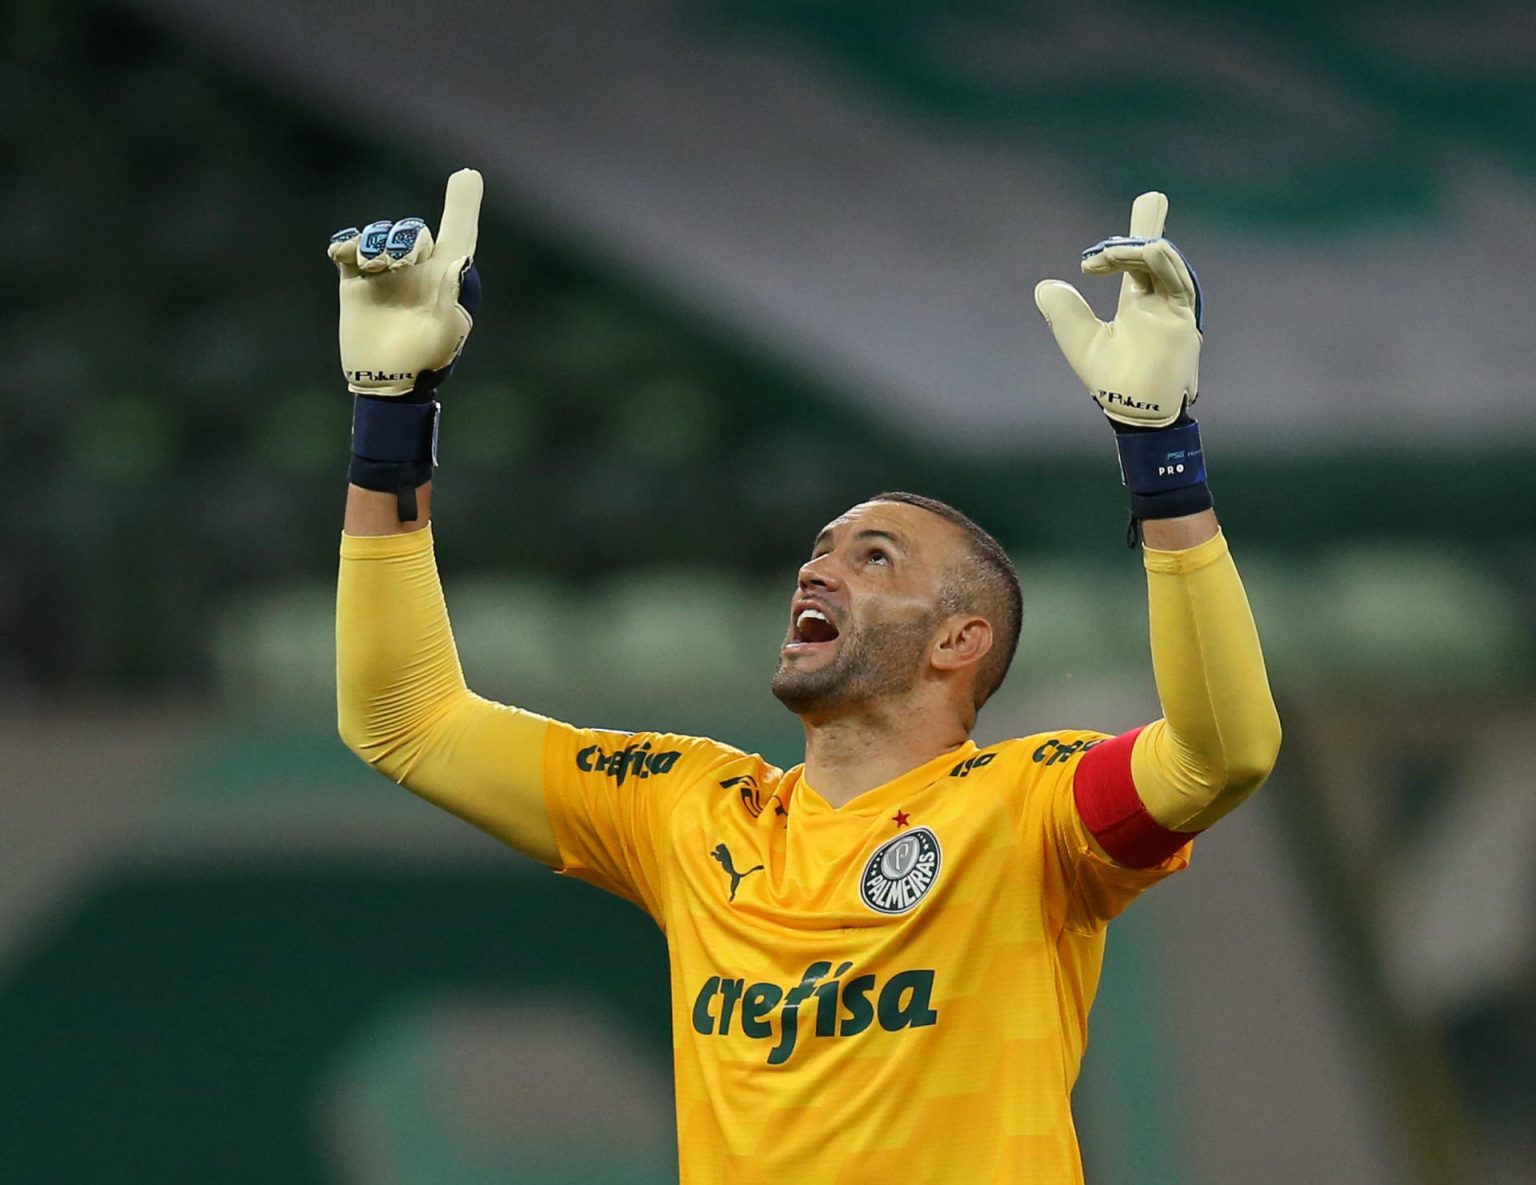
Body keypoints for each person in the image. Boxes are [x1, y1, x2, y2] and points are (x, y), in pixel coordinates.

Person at [332, 170, 1280, 1184]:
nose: (817, 568)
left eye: (874, 557)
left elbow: (1222, 751)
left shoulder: (1029, 812)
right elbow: (405, 718)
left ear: (959, 642)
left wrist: (1162, 457)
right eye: (822, 550)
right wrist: (389, 419)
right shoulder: (685, 812)